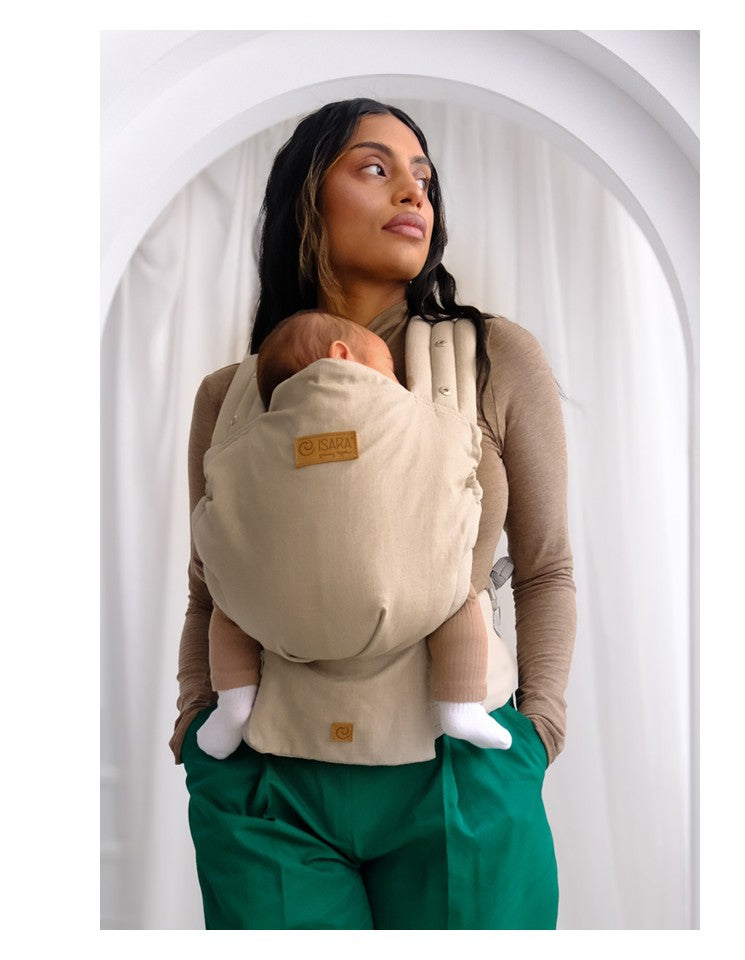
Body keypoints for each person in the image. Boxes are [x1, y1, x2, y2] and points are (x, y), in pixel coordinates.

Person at [170, 98, 576, 930]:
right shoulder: (230, 395)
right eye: (376, 168)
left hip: (459, 771)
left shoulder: (494, 358)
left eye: (423, 176)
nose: (413, 192)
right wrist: (194, 722)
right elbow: (210, 589)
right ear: (306, 198)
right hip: (266, 783)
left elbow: (544, 568)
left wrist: (539, 731)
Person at [194, 307, 512, 760]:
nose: (395, 381)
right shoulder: (219, 392)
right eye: (389, 369)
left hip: (271, 622)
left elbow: (211, 563)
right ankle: (460, 707)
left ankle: (232, 705)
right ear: (341, 356)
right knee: (458, 596)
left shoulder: (243, 428)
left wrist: (544, 725)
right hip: (415, 629)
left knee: (230, 606)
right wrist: (189, 707)